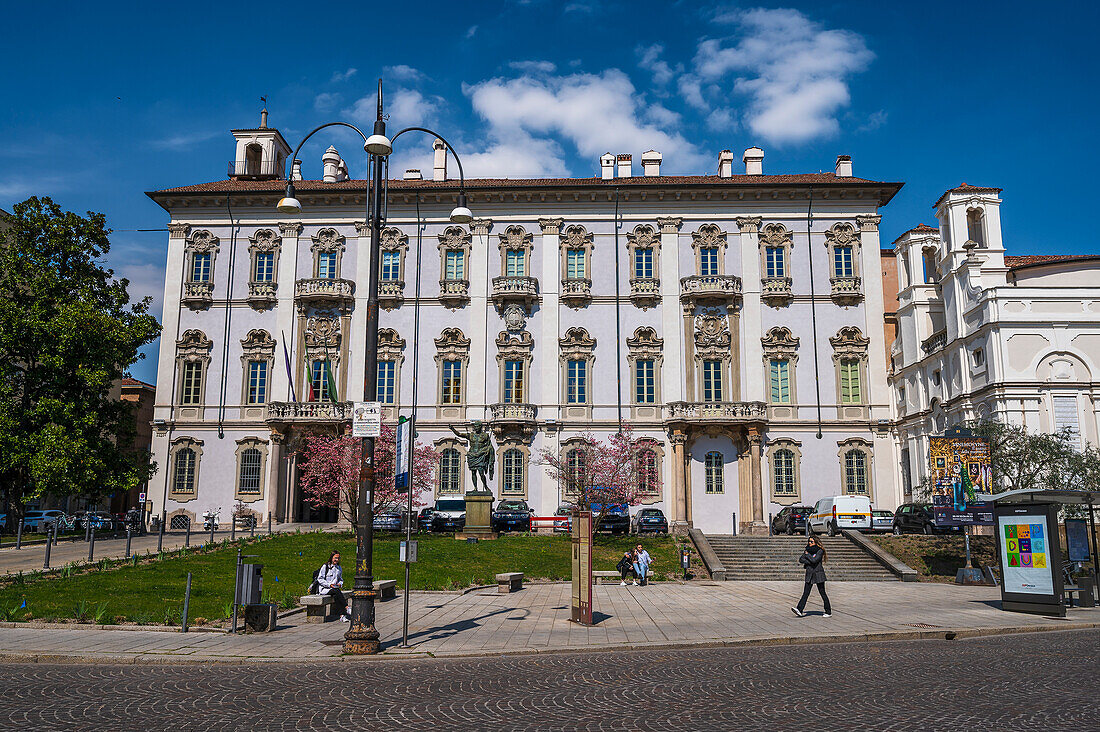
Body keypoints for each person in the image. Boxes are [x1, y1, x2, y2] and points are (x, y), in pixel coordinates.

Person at [792, 536, 831, 618]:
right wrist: (809, 559)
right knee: (806, 593)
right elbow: (801, 559)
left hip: (818, 574)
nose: (809, 543)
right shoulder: (807, 550)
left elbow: (815, 560)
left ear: (816, 542)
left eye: (811, 541)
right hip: (809, 574)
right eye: (809, 541)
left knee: (822, 593)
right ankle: (799, 609)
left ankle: (828, 611)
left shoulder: (819, 551)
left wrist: (808, 556)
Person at [316, 551, 350, 622]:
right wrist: (329, 585)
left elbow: (340, 579)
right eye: (335, 558)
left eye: (338, 558)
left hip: (334, 589)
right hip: (325, 589)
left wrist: (340, 584)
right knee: (336, 591)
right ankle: (346, 607)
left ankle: (342, 616)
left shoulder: (338, 568)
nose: (337, 560)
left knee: (336, 595)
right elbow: (320, 579)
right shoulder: (325, 567)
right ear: (331, 558)